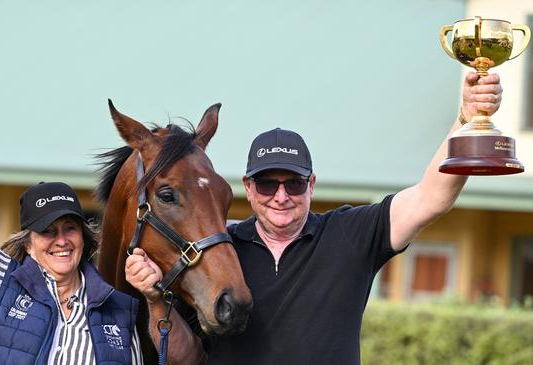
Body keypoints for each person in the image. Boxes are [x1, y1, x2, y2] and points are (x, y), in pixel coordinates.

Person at [124, 72, 503, 365]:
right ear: (249, 188)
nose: (281, 196)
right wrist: (157, 300)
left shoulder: (351, 235)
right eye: (268, 183)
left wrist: (467, 119)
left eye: (294, 183)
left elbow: (430, 198)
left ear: (312, 184)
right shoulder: (220, 253)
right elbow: (187, 359)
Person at [0, 97, 143, 365]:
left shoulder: (117, 309)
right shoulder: (2, 281)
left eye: (70, 228)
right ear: (28, 243)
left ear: (84, 239)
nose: (61, 240)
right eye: (47, 231)